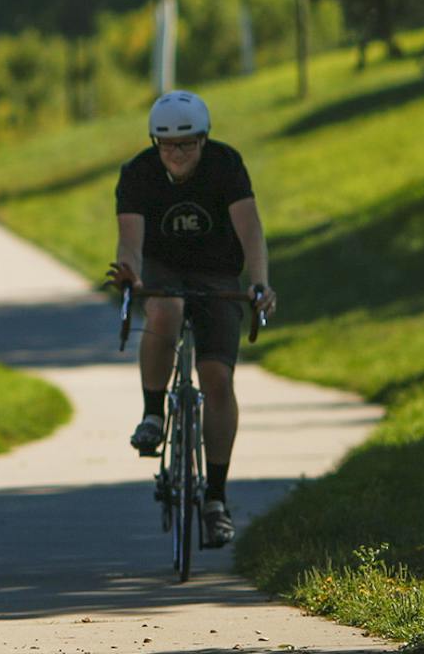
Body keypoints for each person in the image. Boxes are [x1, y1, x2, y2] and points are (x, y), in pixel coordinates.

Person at [110, 90, 278, 550]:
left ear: (204, 141)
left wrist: (259, 282)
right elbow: (130, 241)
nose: (176, 154)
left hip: (217, 272)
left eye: (186, 145)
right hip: (162, 268)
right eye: (166, 145)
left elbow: (250, 230)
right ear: (154, 142)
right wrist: (131, 274)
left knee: (217, 378)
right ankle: (152, 413)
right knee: (165, 308)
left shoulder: (226, 166)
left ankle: (216, 500)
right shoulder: (139, 174)